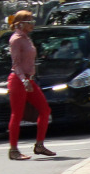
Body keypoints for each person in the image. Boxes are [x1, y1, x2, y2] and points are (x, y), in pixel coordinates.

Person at [6, 10, 54, 161]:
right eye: (29, 21)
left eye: (32, 21)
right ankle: (13, 150)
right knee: (17, 114)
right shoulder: (16, 39)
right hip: (19, 80)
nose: (32, 23)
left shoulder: (26, 38)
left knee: (45, 110)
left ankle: (39, 145)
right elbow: (16, 64)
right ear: (20, 23)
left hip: (28, 79)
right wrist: (24, 80)